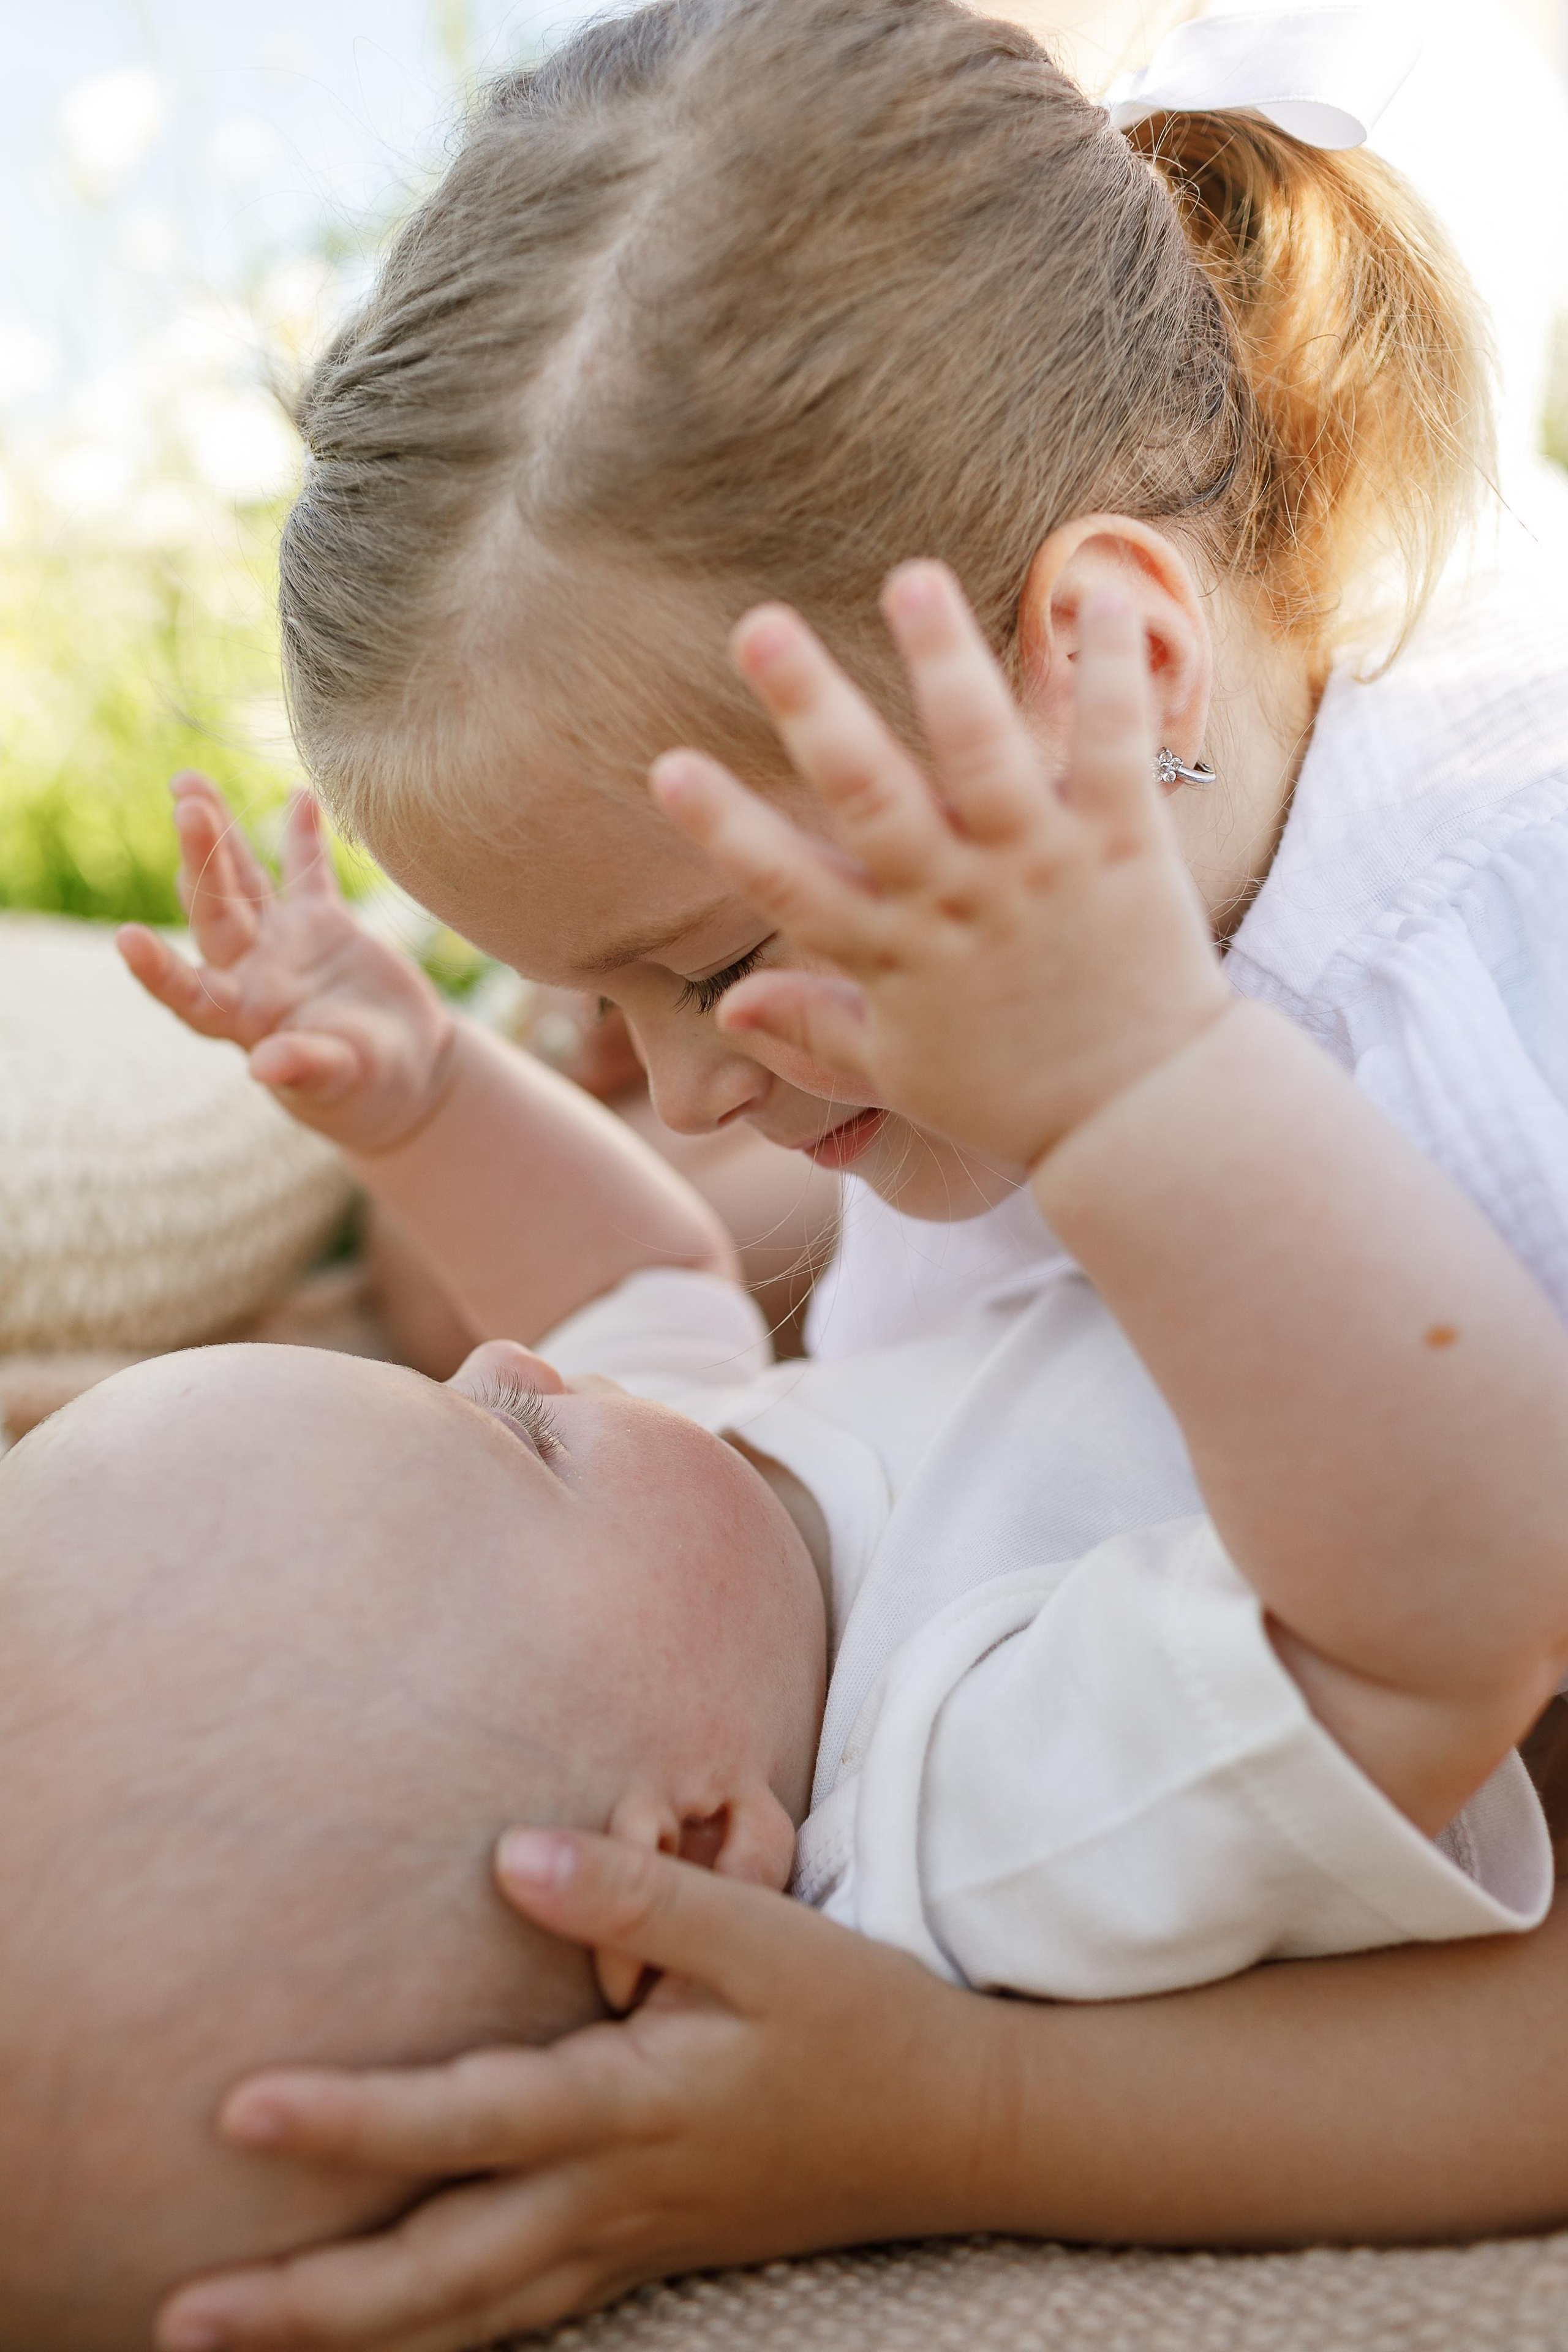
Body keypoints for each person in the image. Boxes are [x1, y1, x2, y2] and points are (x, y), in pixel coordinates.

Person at [104, 0, 1568, 2337]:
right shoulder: (923, 1712)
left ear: (1106, 674)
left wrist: (1115, 1092)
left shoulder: (1500, 1029)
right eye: (620, 1008)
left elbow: (638, 1311)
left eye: (721, 965)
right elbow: (666, 1311)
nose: (679, 1092)